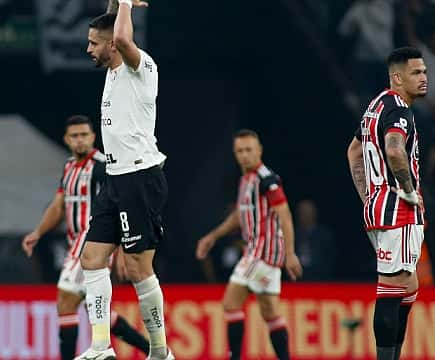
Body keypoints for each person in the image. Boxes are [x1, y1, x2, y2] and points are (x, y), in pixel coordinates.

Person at [75, 0, 172, 358]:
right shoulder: (113, 71)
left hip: (140, 178)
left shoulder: (140, 68)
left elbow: (124, 37)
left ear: (113, 44)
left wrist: (128, 3)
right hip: (115, 177)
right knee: (91, 257)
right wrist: (117, 3)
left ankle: (161, 351)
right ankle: (101, 346)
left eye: (93, 43)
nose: (88, 48)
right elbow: (116, 23)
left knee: (137, 268)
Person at [22, 115, 149, 360]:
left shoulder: (102, 166)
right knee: (97, 310)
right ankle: (154, 351)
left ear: (93, 137)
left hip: (93, 242)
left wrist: (123, 248)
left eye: (84, 135)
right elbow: (59, 205)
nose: (80, 140)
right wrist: (38, 232)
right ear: (66, 140)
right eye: (74, 136)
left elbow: (122, 203)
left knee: (66, 300)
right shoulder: (69, 166)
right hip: (75, 243)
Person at [347, 46, 428, 360]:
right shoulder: (399, 110)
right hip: (399, 212)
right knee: (392, 289)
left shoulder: (376, 106)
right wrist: (407, 190)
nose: (424, 78)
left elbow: (354, 151)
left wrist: (368, 196)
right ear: (397, 77)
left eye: (424, 72)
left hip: (379, 209)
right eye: (416, 73)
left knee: (409, 287)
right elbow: (395, 150)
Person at [196, 129, 303, 360]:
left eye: (249, 150)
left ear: (259, 151)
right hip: (260, 254)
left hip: (262, 253)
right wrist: (213, 236)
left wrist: (291, 253)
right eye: (239, 151)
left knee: (230, 304)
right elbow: (239, 215)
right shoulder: (246, 179)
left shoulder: (267, 180)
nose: (244, 155)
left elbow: (284, 214)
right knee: (271, 313)